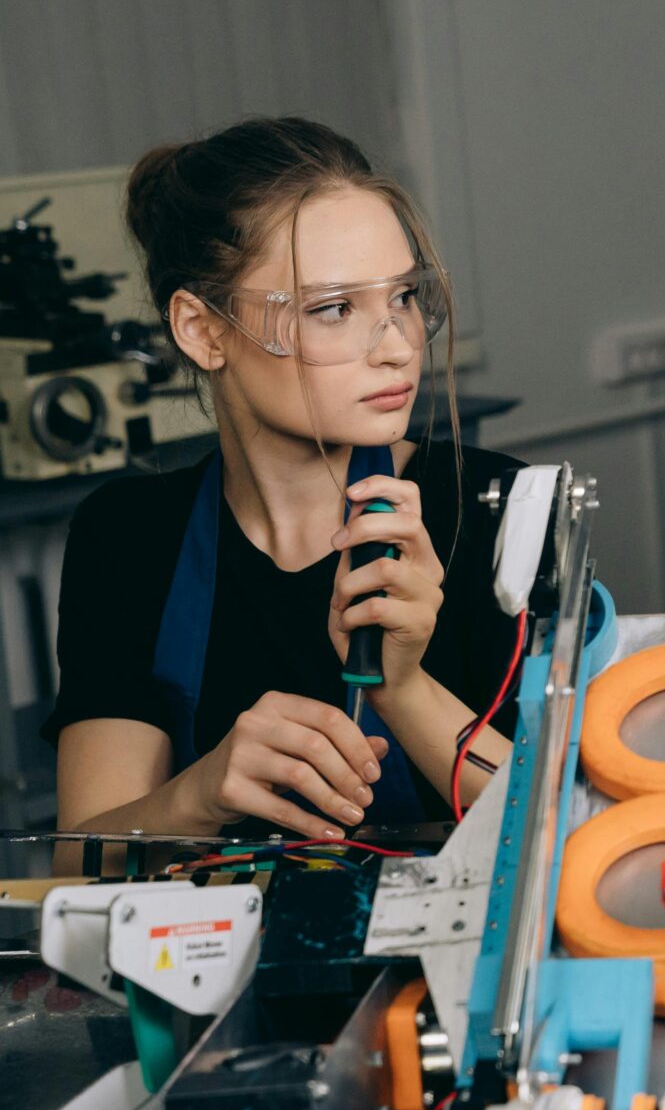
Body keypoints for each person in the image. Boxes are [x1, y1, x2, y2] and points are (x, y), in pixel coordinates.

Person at [50, 117, 523, 848]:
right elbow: (81, 858)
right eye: (333, 309)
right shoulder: (128, 536)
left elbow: (567, 826)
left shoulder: (502, 511)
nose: (398, 346)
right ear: (202, 330)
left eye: (403, 297)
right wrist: (200, 792)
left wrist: (403, 691)